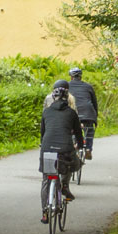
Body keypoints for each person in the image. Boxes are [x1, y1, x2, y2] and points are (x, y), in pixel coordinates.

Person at [39, 86, 83, 223]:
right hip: (65, 148)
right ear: (67, 98)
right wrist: (80, 145)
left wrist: (43, 145)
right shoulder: (71, 113)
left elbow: (43, 133)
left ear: (53, 98)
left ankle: (45, 213)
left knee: (46, 179)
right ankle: (64, 185)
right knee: (73, 164)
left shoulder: (46, 112)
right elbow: (78, 133)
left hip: (47, 148)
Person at [67, 67, 98, 160]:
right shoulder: (88, 86)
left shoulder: (67, 86)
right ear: (80, 77)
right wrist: (95, 117)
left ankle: (75, 146)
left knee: (73, 129)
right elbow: (94, 103)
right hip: (88, 112)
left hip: (73, 112)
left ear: (71, 77)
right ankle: (88, 149)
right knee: (89, 130)